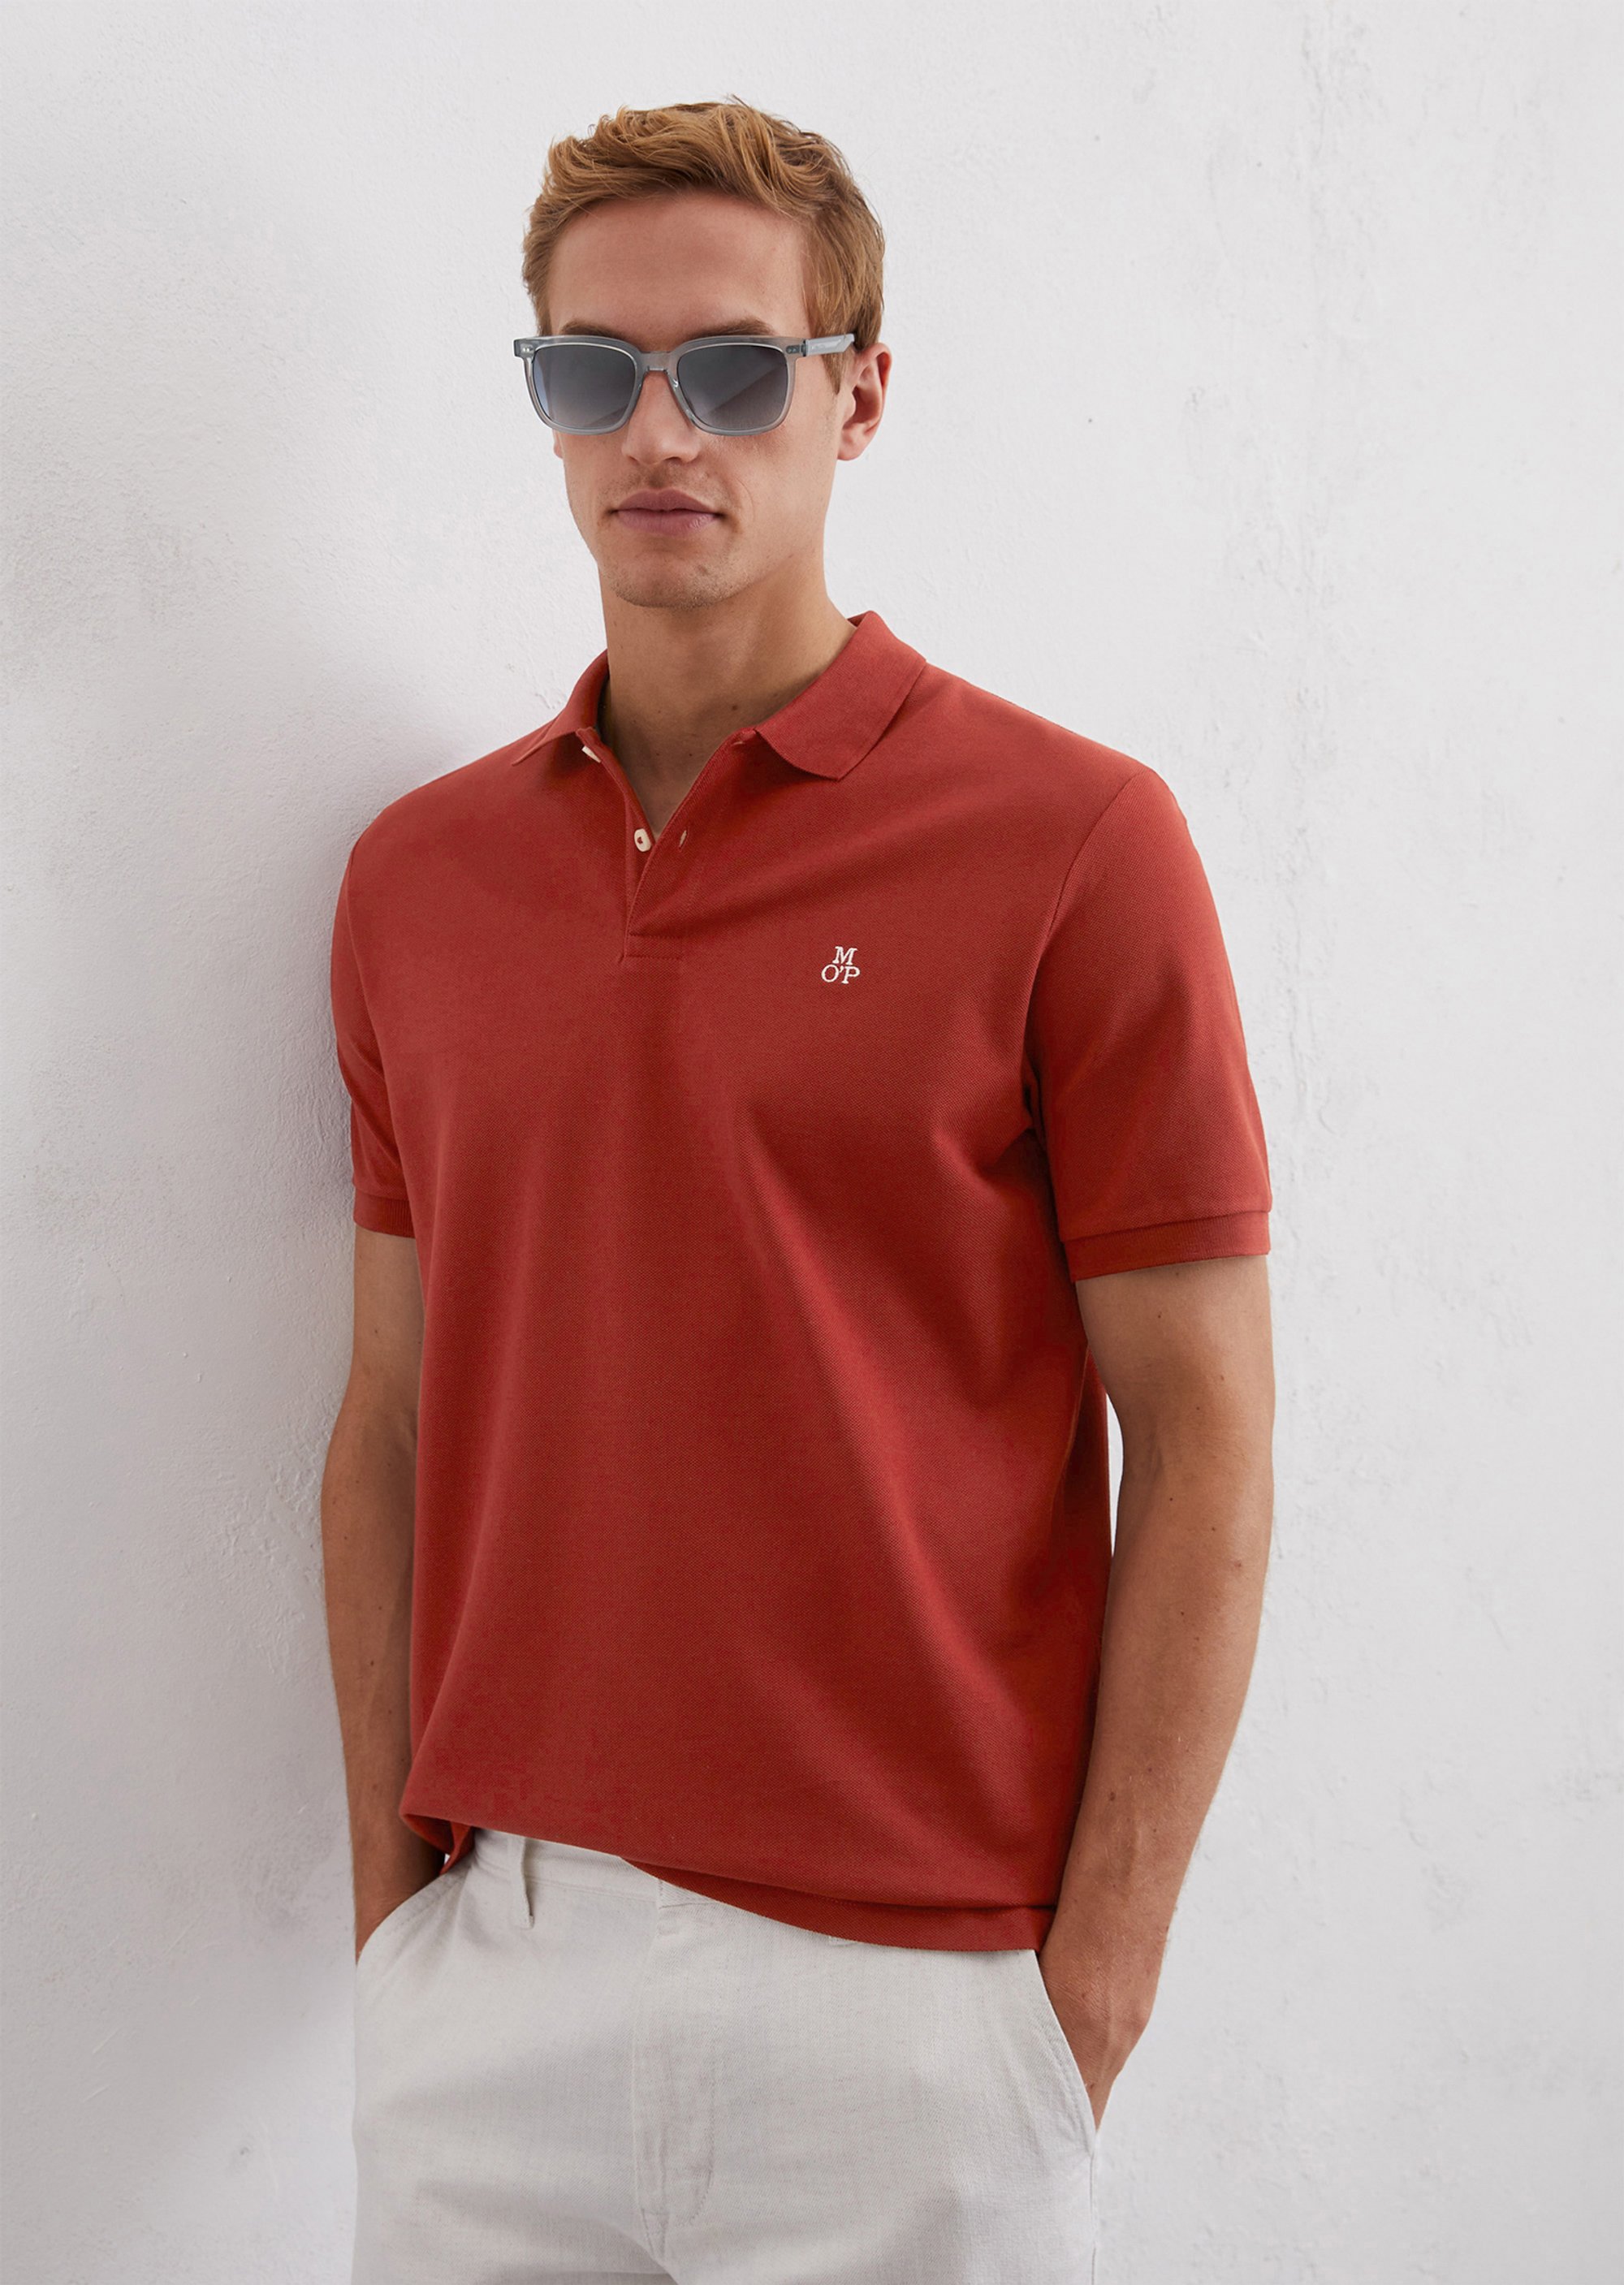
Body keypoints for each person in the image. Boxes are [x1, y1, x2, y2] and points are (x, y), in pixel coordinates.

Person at [322, 96, 1275, 2285]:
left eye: (735, 369)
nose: (661, 432)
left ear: (858, 395)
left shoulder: (1074, 844)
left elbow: (1209, 1437)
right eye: (595, 372)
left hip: (920, 2017)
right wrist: (394, 1938)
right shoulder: (415, 883)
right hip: (493, 1996)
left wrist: (1086, 1993)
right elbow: (386, 1425)